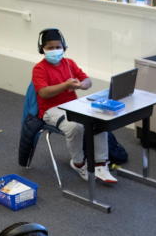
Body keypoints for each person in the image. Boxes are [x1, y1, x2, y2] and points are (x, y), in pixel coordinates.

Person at [32, 28, 117, 185]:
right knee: (75, 127)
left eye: (58, 47)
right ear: (42, 49)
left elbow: (87, 80)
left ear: (64, 47)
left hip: (73, 105)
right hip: (51, 110)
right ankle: (78, 163)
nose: (55, 50)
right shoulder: (39, 68)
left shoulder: (69, 63)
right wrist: (65, 85)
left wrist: (82, 85)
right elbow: (43, 93)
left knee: (99, 119)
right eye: (50, 48)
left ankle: (100, 164)